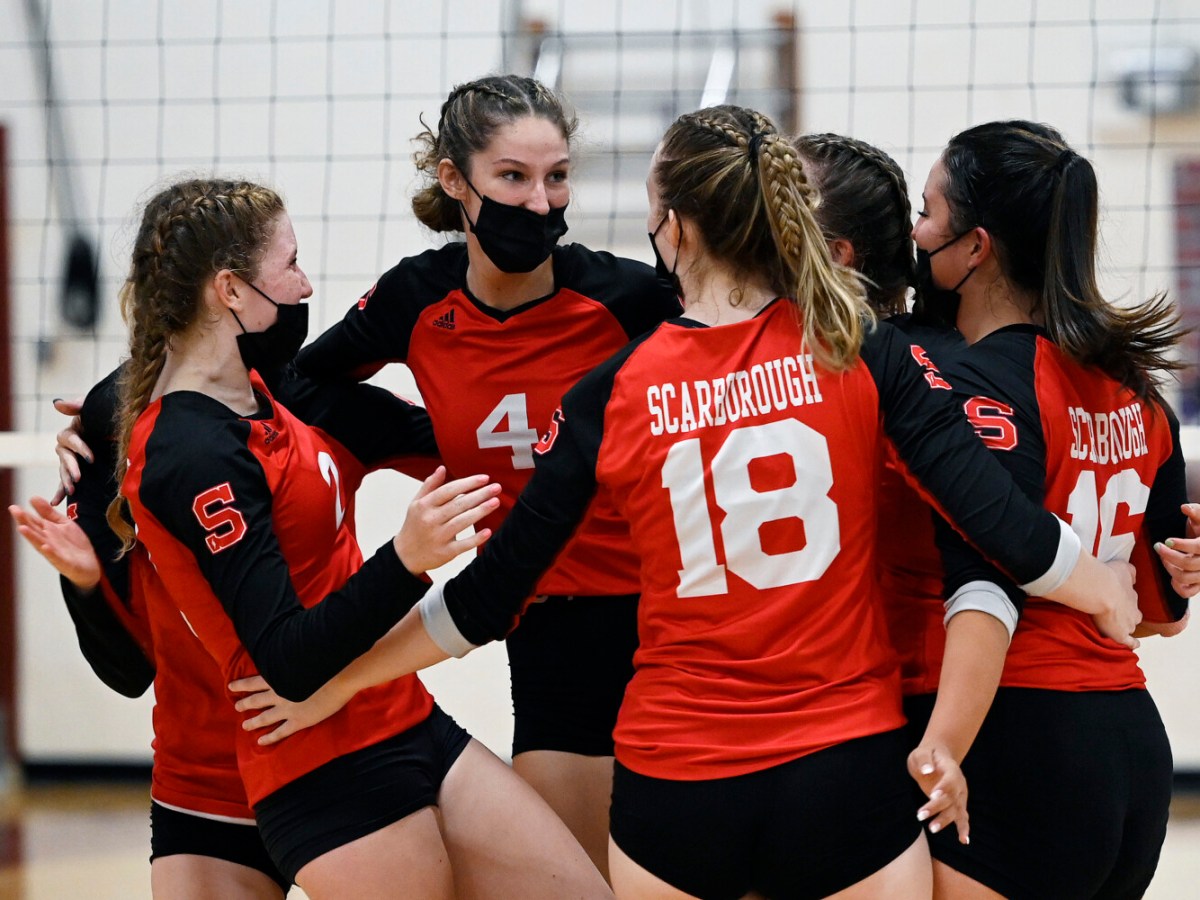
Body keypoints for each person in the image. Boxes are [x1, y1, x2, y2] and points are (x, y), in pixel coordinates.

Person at [237, 106, 1138, 900]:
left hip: (677, 783)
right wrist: (1103, 588)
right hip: (839, 768)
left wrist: (337, 682)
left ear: (673, 228)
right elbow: (1000, 525)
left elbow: (486, 598)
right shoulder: (857, 347)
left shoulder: (612, 390)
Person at [102, 176, 610, 899]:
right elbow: (287, 660)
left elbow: (430, 435)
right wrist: (405, 559)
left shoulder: (266, 393)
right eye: (290, 264)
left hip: (405, 719)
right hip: (321, 766)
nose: (306, 284)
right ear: (230, 291)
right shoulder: (191, 454)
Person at [291, 73, 681, 878]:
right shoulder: (417, 298)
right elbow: (298, 384)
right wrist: (429, 444)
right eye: (513, 177)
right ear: (454, 180)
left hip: (665, 620)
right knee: (574, 884)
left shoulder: (628, 299)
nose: (541, 203)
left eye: (557, 176)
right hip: (541, 628)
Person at [13, 342, 448, 898]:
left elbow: (481, 456)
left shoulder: (307, 406)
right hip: (206, 782)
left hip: (345, 747)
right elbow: (126, 670)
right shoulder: (122, 446)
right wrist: (86, 584)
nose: (302, 295)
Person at [904, 120, 1190, 899]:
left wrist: (942, 744)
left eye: (927, 211)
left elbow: (987, 588)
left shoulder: (978, 385)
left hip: (1019, 744)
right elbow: (1159, 615)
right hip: (1130, 749)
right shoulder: (1137, 390)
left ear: (976, 247)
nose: (916, 232)